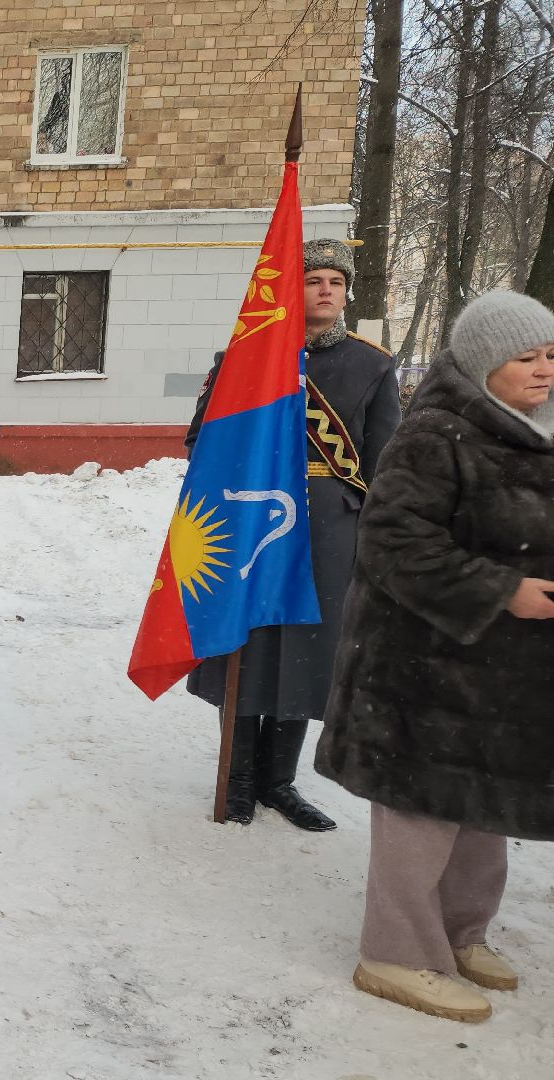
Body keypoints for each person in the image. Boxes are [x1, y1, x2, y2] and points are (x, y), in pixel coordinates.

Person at [316, 291, 554, 1022]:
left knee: (483, 808)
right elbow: (392, 546)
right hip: (420, 669)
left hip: (501, 676)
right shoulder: (435, 435)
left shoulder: (539, 429)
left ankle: (461, 934)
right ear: (485, 365)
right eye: (527, 358)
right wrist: (500, 590)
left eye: (552, 354)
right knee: (420, 817)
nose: (545, 370)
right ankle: (395, 953)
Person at [185, 237, 401, 830]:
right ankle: (239, 778)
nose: (326, 289)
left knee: (308, 650)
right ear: (291, 289)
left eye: (335, 281)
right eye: (313, 280)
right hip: (254, 521)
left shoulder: (371, 364)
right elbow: (201, 442)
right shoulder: (246, 356)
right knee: (248, 645)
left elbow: (385, 457)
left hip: (331, 528)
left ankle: (280, 782)